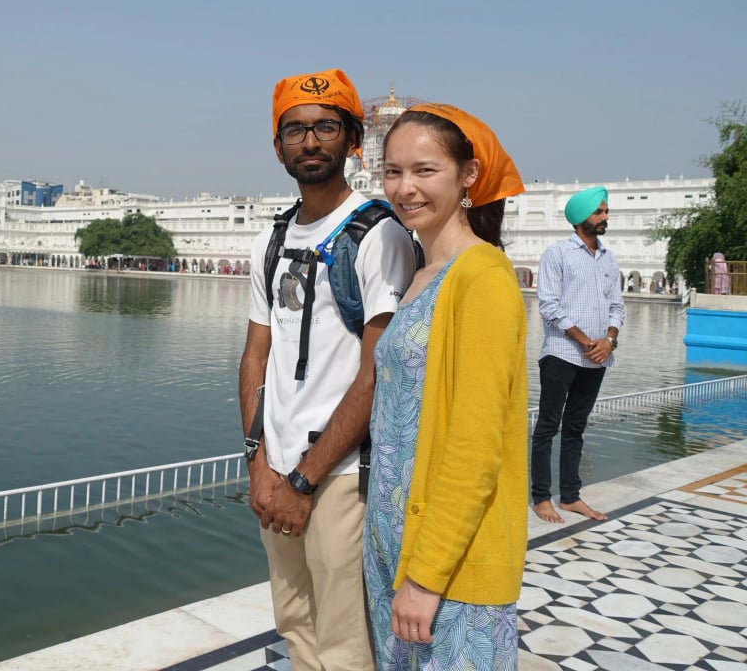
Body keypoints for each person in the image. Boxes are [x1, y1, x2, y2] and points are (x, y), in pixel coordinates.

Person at [238, 69, 417, 671]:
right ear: (278, 145)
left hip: (340, 475)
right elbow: (256, 355)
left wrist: (306, 480)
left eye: (325, 127)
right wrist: (259, 459)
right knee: (294, 621)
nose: (310, 142)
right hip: (278, 466)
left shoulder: (377, 234)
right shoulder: (272, 238)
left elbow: (377, 372)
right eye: (296, 130)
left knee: (344, 639)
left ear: (352, 141)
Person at [363, 104, 527, 670]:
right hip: (397, 546)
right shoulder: (423, 274)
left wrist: (427, 577)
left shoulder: (483, 277)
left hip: (449, 567)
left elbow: (475, 445)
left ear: (469, 177)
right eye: (393, 171)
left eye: (425, 170)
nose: (405, 188)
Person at [531, 185, 625, 523]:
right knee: (547, 426)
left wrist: (609, 340)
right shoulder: (558, 254)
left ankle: (570, 496)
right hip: (561, 354)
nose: (605, 217)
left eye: (605, 211)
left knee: (576, 427)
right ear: (579, 217)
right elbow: (550, 307)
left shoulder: (609, 258)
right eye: (598, 212)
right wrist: (587, 341)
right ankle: (542, 497)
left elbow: (617, 305)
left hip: (597, 356)